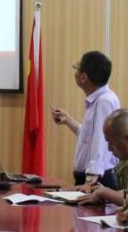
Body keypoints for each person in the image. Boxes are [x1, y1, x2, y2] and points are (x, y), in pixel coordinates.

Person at [51, 51, 120, 188]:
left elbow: (101, 141)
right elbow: (89, 136)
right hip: (92, 178)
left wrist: (90, 181)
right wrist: (67, 120)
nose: (74, 72)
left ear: (83, 77)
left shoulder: (103, 101)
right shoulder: (99, 100)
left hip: (97, 179)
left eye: (76, 68)